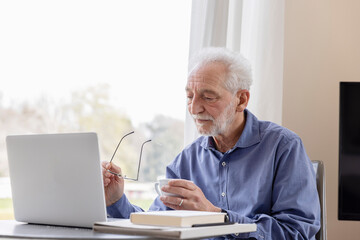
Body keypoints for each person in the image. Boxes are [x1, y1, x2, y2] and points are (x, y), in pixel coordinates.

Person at [102, 47, 321, 239]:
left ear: (241, 99)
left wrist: (216, 216)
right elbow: (158, 225)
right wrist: (116, 201)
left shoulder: (283, 147)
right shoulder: (186, 160)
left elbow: (296, 233)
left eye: (208, 97)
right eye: (189, 96)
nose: (194, 109)